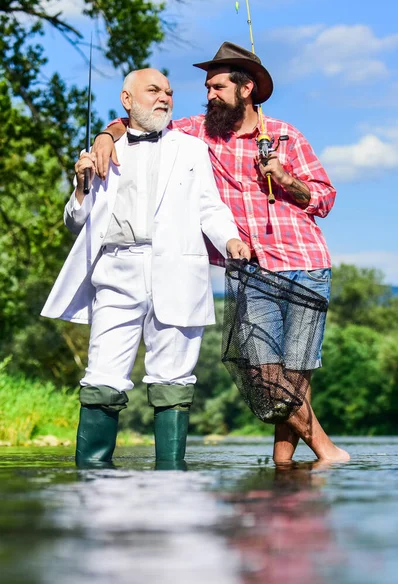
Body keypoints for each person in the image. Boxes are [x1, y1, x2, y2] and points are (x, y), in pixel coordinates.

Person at [93, 43, 350, 465]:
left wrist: (284, 177)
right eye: (207, 87)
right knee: (269, 378)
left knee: (295, 380)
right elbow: (135, 120)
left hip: (306, 264)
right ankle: (327, 451)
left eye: (217, 87)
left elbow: (324, 198)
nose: (208, 94)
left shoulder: (286, 135)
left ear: (245, 88)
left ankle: (284, 467)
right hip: (250, 270)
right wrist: (106, 134)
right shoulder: (194, 133)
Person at [41, 67, 250, 467]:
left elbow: (210, 208)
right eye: (153, 90)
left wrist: (230, 239)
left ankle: (171, 478)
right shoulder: (103, 150)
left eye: (169, 92)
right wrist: (81, 185)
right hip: (117, 270)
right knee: (102, 376)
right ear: (127, 100)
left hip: (179, 270)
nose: (164, 98)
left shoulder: (192, 149)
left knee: (174, 380)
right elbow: (75, 221)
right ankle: (93, 479)